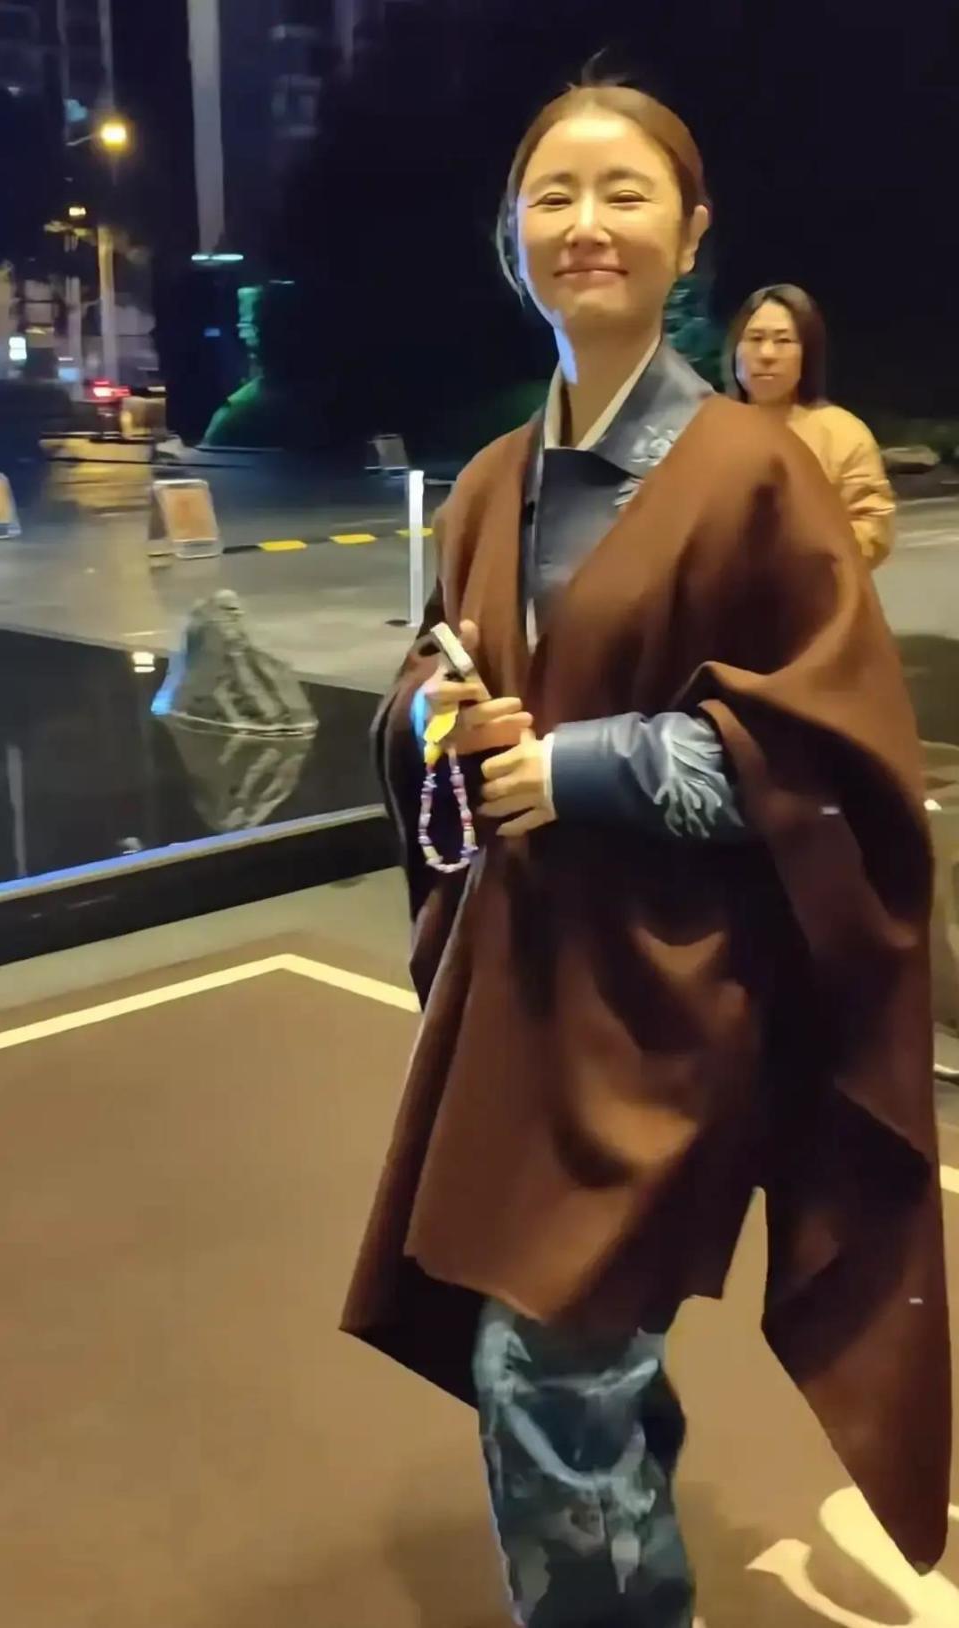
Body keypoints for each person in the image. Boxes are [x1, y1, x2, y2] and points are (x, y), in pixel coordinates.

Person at [342, 80, 950, 1627]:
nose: (586, 223)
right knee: (583, 1358)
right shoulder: (492, 481)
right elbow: (430, 678)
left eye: (625, 192)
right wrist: (440, 723)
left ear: (691, 235)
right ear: (513, 239)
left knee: (544, 1359)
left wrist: (578, 765)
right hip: (525, 997)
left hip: (679, 1005)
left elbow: (835, 758)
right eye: (553, 195)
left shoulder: (757, 471)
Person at [728, 283, 895, 567]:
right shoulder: (705, 428)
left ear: (808, 352)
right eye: (755, 338)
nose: (767, 353)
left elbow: (873, 526)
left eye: (783, 341)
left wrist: (805, 557)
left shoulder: (842, 434)